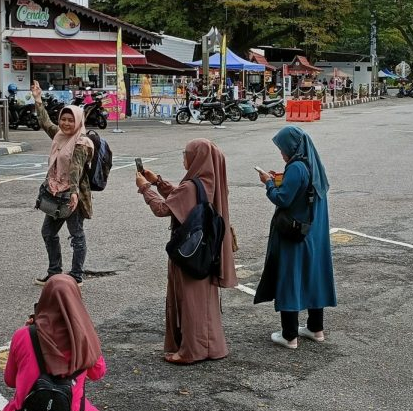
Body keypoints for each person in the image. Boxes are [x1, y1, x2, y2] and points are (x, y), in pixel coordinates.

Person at [135, 139, 235, 365]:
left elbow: (164, 208)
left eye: (186, 153)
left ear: (196, 158)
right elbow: (182, 198)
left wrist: (145, 188)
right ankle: (211, 346)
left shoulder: (191, 185)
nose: (184, 157)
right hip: (206, 251)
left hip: (188, 251)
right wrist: (158, 181)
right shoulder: (209, 181)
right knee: (204, 301)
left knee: (190, 301)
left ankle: (191, 350)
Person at [2, 274, 105, 411]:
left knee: (14, 406)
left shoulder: (23, 335)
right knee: (87, 410)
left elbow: (10, 380)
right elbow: (98, 373)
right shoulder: (84, 338)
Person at [254, 126, 337, 349]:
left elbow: (282, 199)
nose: (281, 152)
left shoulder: (297, 168)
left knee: (290, 278)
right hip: (314, 234)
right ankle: (315, 329)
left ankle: (289, 335)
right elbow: (303, 191)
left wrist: (269, 183)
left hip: (295, 234)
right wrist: (280, 178)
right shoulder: (313, 165)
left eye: (282, 148)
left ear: (291, 147)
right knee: (313, 277)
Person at [31, 81, 93, 285]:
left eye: (70, 120)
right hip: (55, 192)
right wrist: (38, 99)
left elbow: (76, 168)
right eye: (63, 119)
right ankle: (54, 271)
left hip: (71, 195)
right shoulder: (59, 135)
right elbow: (45, 123)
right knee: (48, 232)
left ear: (78, 121)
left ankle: (76, 275)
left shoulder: (81, 142)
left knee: (76, 235)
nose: (66, 124)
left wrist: (74, 193)